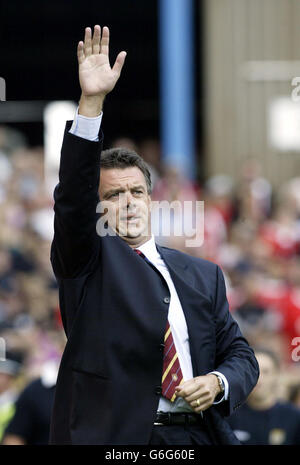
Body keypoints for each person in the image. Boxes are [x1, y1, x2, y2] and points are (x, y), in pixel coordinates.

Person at [49, 25, 259, 445]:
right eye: (112, 195)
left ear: (151, 198)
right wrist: (91, 104)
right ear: (98, 207)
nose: (127, 201)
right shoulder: (86, 262)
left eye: (136, 191)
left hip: (196, 438)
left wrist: (217, 382)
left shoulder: (203, 276)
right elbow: (72, 200)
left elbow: (242, 357)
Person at [227, 348, 300, 445]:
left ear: (277, 375)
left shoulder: (294, 416)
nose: (259, 378)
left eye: (265, 372)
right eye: (253, 370)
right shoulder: (229, 415)